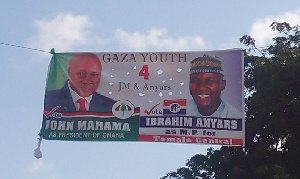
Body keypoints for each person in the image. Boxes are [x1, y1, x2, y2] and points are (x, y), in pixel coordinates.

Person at [44, 52, 116, 113]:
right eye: (81, 73)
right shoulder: (52, 99)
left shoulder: (111, 106)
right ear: (69, 72)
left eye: (94, 75)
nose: (87, 80)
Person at [187, 54, 242, 118]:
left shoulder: (235, 117)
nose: (201, 87)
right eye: (195, 81)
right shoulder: (181, 110)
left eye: (209, 82)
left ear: (222, 84)